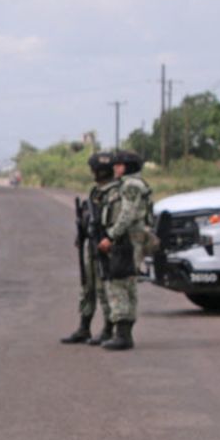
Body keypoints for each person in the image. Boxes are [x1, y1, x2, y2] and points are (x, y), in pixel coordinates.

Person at [96, 150, 152, 351]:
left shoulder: (130, 186)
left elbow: (127, 214)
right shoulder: (133, 184)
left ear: (128, 166)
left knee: (119, 282)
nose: (115, 168)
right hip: (131, 237)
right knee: (127, 282)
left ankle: (122, 333)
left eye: (119, 165)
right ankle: (124, 332)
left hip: (127, 239)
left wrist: (111, 235)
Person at [60, 152, 116, 344]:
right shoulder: (95, 191)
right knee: (87, 287)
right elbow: (88, 216)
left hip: (105, 246)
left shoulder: (115, 192)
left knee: (103, 288)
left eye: (95, 170)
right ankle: (84, 327)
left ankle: (109, 328)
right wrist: (81, 233)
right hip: (91, 244)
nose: (93, 173)